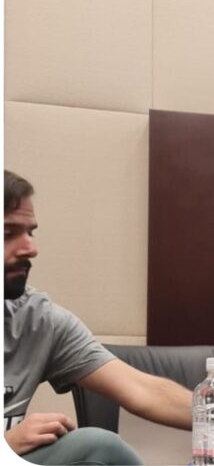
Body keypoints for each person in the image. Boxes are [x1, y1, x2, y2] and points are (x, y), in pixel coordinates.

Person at [4, 170, 193, 465]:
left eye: (30, 232)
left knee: (101, 449)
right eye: (7, 233)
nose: (31, 248)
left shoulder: (37, 320)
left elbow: (142, 390)